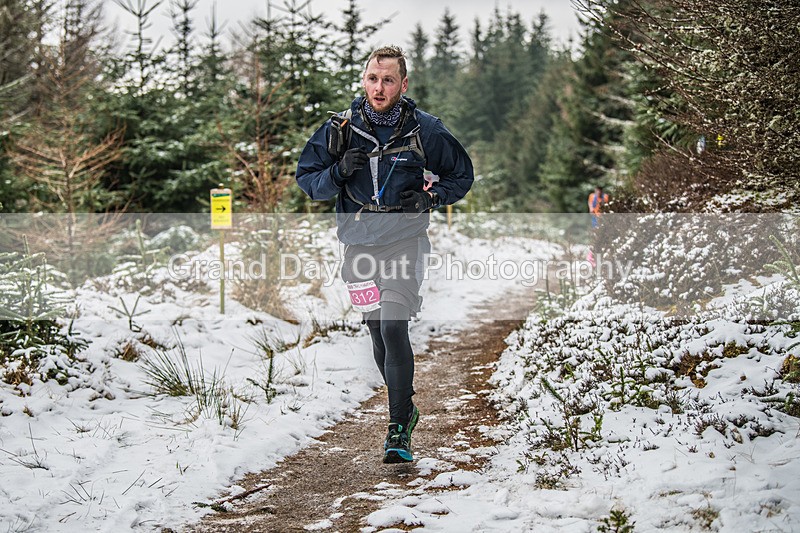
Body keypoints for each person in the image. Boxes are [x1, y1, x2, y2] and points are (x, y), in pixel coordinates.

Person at [296, 46, 474, 463]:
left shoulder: (424, 130)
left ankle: (397, 429)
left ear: (403, 84)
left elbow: (461, 176)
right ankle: (406, 409)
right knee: (377, 331)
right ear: (364, 80)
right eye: (373, 78)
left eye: (388, 80)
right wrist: (338, 171)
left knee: (394, 326)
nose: (380, 87)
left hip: (404, 241)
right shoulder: (339, 129)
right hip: (357, 246)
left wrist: (428, 200)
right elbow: (308, 180)